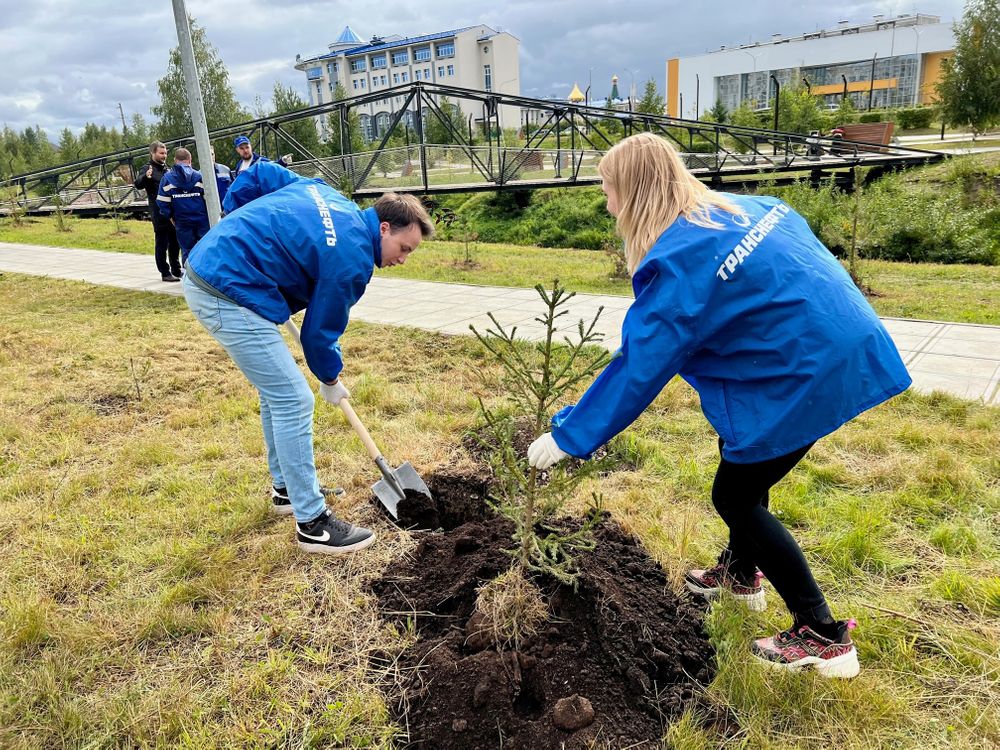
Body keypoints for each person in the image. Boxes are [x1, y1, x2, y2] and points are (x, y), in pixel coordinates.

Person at [525, 132, 911, 679]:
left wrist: (569, 435)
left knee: (734, 497)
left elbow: (640, 366)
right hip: (839, 347)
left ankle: (823, 636)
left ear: (633, 192)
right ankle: (738, 575)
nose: (606, 203)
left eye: (608, 190)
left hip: (800, 373)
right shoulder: (754, 208)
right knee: (749, 466)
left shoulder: (680, 263)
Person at [181, 160, 434, 555]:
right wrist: (330, 379)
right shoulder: (352, 258)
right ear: (384, 228)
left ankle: (285, 491)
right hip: (226, 289)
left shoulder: (327, 194)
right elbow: (319, 334)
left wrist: (235, 218)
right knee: (293, 398)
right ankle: (313, 524)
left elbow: (261, 173)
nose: (403, 259)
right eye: (404, 248)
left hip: (219, 272)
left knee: (276, 394)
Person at [133, 141, 182, 282]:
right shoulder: (147, 168)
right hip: (158, 212)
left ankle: (176, 269)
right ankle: (164, 272)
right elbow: (137, 184)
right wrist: (145, 177)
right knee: (162, 243)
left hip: (172, 211)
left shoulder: (167, 169)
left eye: (165, 153)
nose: (164, 155)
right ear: (152, 153)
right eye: (161, 153)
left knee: (175, 242)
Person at [156, 147, 211, 264]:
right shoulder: (200, 176)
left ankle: (189, 279)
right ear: (190, 160)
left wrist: (171, 217)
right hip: (202, 220)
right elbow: (209, 199)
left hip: (182, 221)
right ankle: (207, 279)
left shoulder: (167, 179)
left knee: (187, 251)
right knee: (206, 250)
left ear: (175, 160)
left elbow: (162, 202)